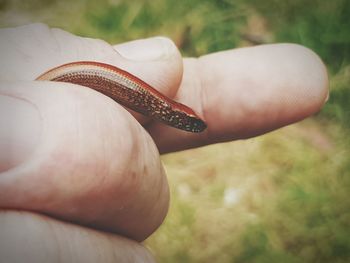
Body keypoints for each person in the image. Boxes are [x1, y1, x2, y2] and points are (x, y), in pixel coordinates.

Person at [0, 23, 328, 262]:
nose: (192, 126)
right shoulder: (159, 106)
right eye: (191, 124)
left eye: (191, 124)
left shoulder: (160, 107)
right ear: (178, 118)